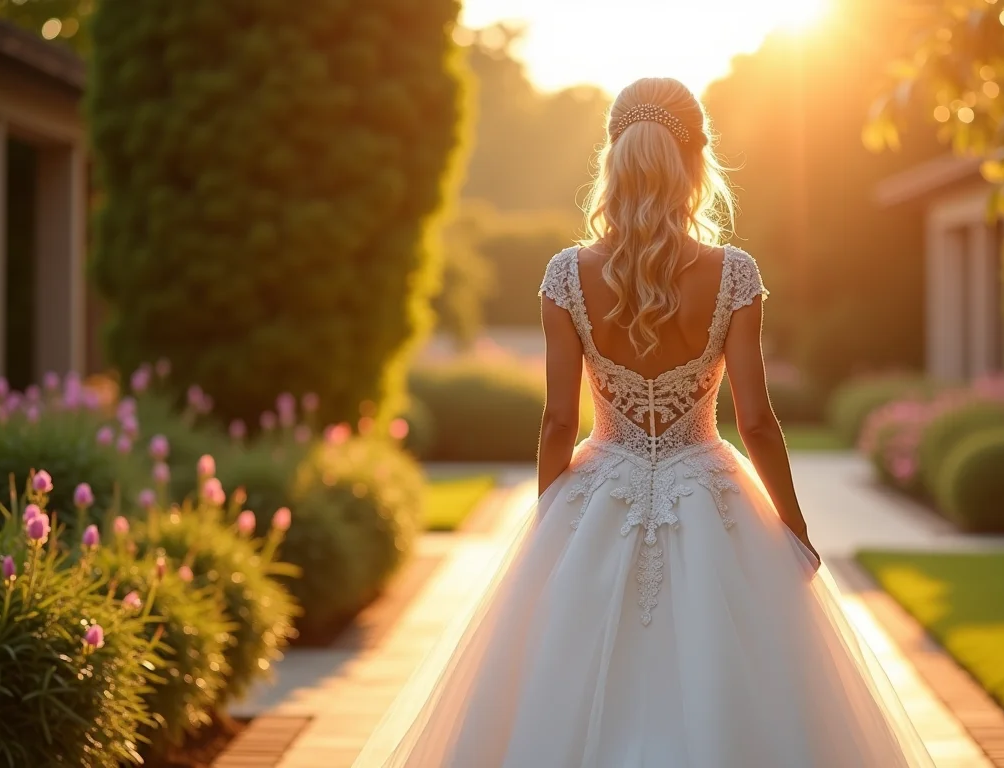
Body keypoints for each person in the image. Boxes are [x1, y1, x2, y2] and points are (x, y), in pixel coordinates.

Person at [357, 77, 934, 768]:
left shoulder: (567, 274)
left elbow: (553, 422)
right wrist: (795, 532)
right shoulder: (734, 274)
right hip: (712, 491)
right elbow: (756, 419)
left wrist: (550, 527)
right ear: (696, 161)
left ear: (613, 157)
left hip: (602, 488)